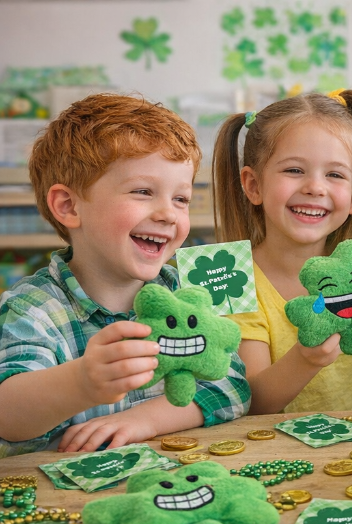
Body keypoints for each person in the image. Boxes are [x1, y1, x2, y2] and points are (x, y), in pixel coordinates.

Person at [0, 94, 250, 457]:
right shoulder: (32, 308)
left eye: (180, 199)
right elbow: (7, 415)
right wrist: (81, 382)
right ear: (68, 206)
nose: (168, 214)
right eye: (143, 192)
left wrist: (143, 421)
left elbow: (232, 386)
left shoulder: (186, 292)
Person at [214, 91, 352, 414]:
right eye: (294, 170)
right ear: (253, 185)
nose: (315, 187)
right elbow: (251, 405)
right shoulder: (234, 279)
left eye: (334, 175)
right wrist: (306, 359)